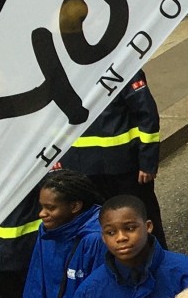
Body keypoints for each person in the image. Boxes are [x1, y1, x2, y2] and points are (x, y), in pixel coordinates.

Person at [62, 64, 165, 245]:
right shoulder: (62, 71)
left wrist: (147, 160)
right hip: (84, 169)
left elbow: (146, 115)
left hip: (125, 168)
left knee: (140, 219)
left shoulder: (121, 64)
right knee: (100, 225)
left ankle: (156, 263)